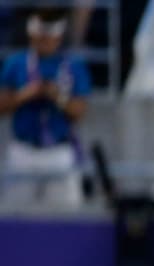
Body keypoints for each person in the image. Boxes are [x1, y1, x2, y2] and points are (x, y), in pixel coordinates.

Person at [0, 10, 90, 206]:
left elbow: (79, 111)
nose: (44, 42)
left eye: (49, 38)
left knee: (66, 217)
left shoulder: (72, 65)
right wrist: (25, 95)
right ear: (31, 35)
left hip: (58, 151)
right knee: (16, 216)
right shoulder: (16, 63)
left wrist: (56, 97)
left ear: (58, 37)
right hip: (24, 151)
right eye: (40, 38)